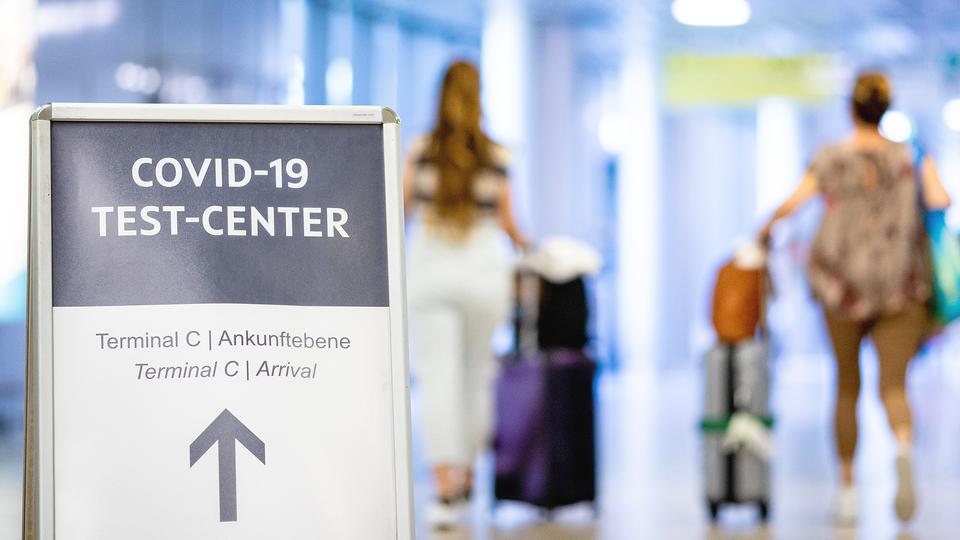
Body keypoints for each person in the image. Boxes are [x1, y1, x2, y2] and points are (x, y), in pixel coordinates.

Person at [760, 71, 951, 525]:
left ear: (851, 109)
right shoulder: (911, 156)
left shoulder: (830, 159)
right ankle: (902, 451)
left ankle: (847, 490)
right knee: (893, 386)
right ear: (887, 109)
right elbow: (941, 200)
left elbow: (793, 204)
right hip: (899, 287)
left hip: (839, 286)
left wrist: (767, 228)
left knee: (847, 387)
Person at [402, 60, 527, 530]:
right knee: (476, 378)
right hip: (483, 277)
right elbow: (513, 226)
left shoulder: (422, 150)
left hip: (431, 274)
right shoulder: (497, 155)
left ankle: (445, 487)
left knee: (438, 381)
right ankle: (469, 473)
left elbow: (401, 214)